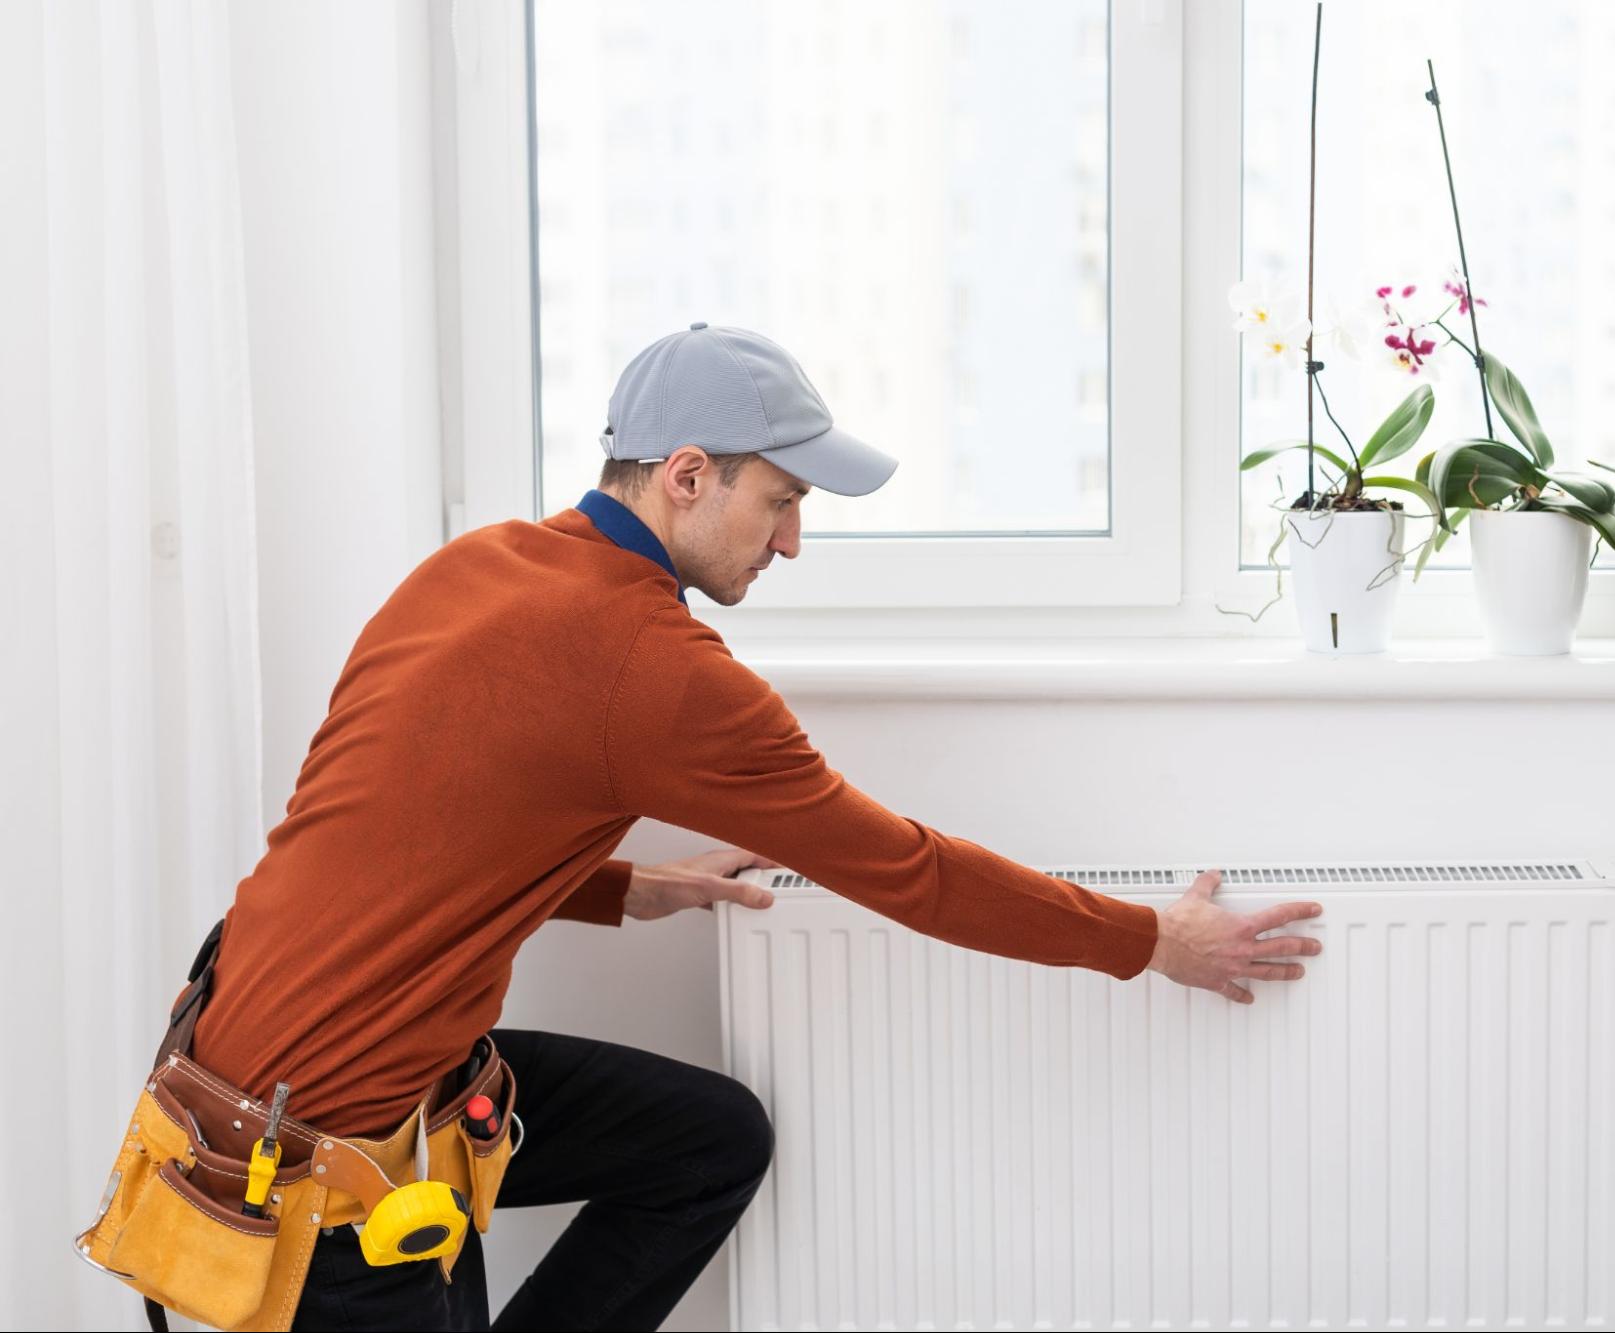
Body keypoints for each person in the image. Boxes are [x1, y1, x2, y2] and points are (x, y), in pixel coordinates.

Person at [187, 323, 1324, 1330]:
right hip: (316, 1161)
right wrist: (1151, 940)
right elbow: (910, 871)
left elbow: (404, 815)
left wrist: (626, 885)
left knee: (707, 1140)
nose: (789, 543)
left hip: (260, 1062)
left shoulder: (474, 566)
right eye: (780, 502)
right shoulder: (657, 666)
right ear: (688, 475)